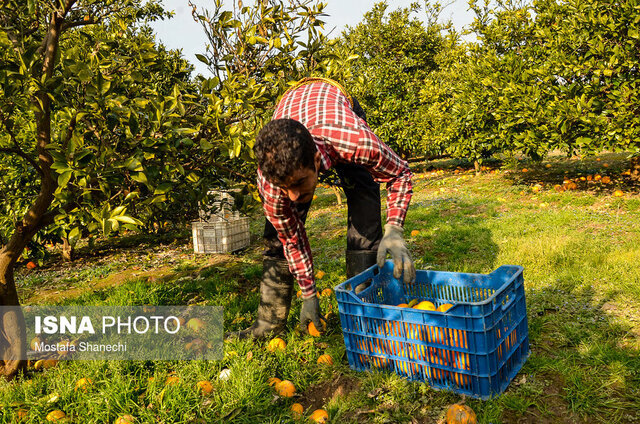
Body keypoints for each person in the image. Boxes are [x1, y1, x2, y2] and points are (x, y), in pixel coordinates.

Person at [228, 77, 415, 339]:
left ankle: (362, 312)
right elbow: (292, 239)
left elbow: (399, 174)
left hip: (333, 108)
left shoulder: (355, 142)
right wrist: (309, 296)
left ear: (317, 160)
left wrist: (394, 228)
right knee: (278, 236)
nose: (292, 196)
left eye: (299, 183)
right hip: (291, 108)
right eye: (284, 187)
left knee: (364, 198)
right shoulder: (270, 181)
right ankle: (268, 324)